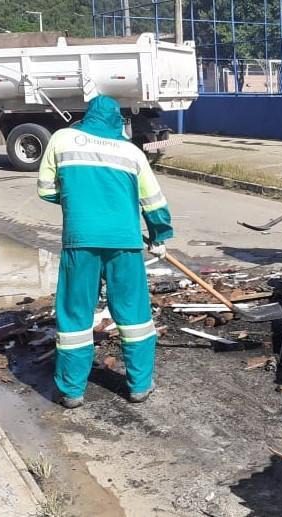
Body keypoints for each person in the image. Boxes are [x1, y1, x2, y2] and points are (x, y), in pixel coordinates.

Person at [37, 95, 173, 408]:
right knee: (134, 314)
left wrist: (79, 204)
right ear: (117, 121)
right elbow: (154, 202)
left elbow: (46, 189)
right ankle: (139, 386)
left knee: (75, 315)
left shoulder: (62, 139)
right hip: (124, 242)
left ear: (88, 116)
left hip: (80, 240)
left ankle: (72, 391)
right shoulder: (131, 152)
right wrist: (159, 235)